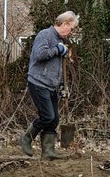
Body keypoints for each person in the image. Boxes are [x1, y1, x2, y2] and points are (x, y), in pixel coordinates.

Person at [19, 10, 79, 160]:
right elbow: (40, 55)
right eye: (71, 28)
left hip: (51, 85)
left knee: (54, 119)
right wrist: (58, 49)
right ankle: (26, 138)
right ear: (64, 24)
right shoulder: (45, 35)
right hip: (38, 82)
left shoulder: (60, 40)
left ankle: (48, 151)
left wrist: (62, 86)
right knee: (47, 116)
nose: (71, 32)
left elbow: (57, 67)